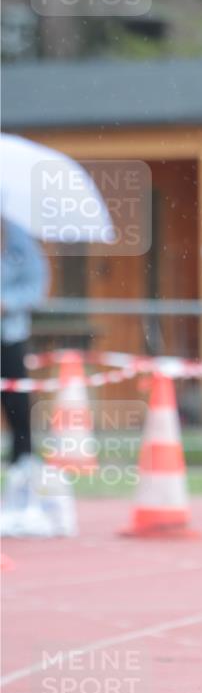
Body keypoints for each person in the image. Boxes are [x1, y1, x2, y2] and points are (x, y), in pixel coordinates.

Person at [1, 217, 53, 536]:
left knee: (19, 408)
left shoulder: (20, 242)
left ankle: (23, 471)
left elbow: (37, 286)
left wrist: (8, 303)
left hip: (10, 337)